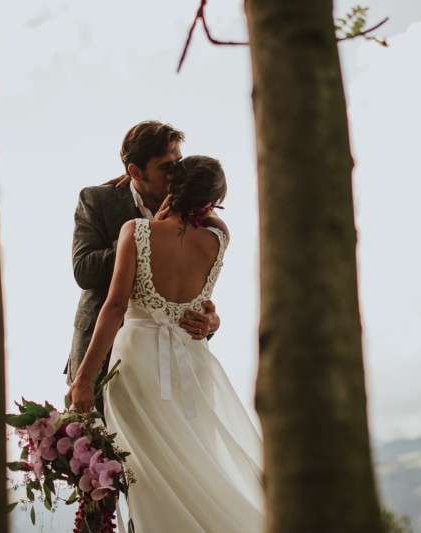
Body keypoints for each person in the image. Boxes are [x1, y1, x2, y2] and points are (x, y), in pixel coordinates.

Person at [67, 156, 264, 533]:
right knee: (197, 466)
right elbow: (202, 305)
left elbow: (114, 307)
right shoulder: (219, 236)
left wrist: (84, 378)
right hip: (193, 364)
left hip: (138, 363)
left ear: (172, 184)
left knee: (146, 472)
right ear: (214, 199)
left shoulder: (136, 231)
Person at [66, 121, 220, 408]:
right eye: (165, 167)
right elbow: (84, 270)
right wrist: (147, 235)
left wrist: (211, 321)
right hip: (103, 356)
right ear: (135, 171)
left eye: (179, 162)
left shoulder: (195, 214)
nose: (176, 173)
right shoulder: (97, 199)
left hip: (174, 365)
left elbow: (192, 289)